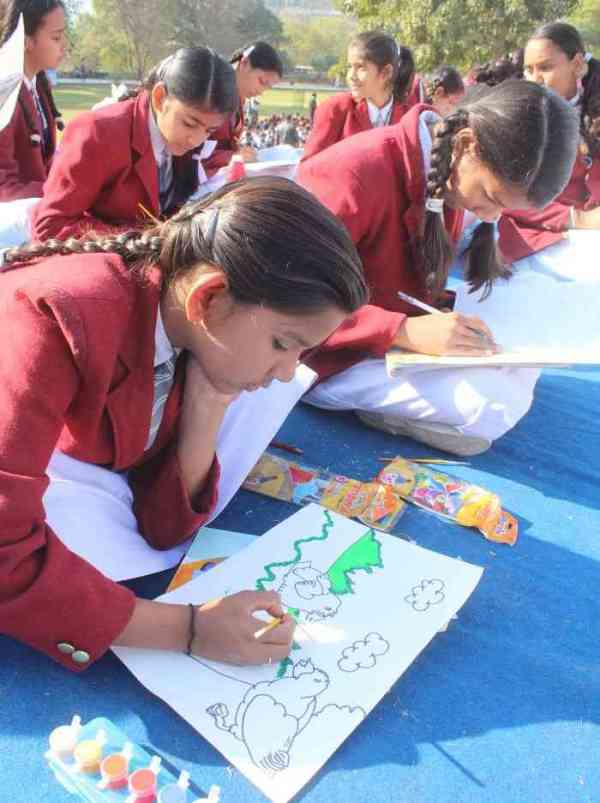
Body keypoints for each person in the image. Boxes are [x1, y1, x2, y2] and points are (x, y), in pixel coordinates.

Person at [0, 176, 368, 672]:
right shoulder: (51, 316)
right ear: (208, 298)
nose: (285, 371)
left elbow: (163, 528)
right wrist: (186, 628)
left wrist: (208, 403)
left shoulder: (189, 332)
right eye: (284, 344)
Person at [298, 80, 579, 455]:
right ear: (465, 145)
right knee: (490, 404)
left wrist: (430, 319)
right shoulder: (353, 173)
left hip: (393, 336)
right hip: (325, 357)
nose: (490, 215)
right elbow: (287, 299)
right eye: (490, 197)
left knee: (521, 366)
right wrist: (400, 331)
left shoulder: (445, 169)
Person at [31, 47, 237, 242]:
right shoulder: (98, 132)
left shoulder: (186, 132)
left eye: (209, 131)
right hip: (98, 262)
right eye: (189, 123)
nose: (196, 140)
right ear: (159, 98)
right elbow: (50, 225)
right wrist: (142, 238)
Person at [499, 22, 600, 261]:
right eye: (528, 70)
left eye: (545, 67)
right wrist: (577, 219)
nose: (535, 79)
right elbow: (500, 194)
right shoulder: (516, 118)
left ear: (576, 64)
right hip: (542, 236)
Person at [302, 32, 419, 162]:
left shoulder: (410, 117)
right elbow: (309, 168)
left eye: (360, 67)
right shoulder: (335, 110)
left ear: (386, 72)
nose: (351, 76)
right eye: (349, 67)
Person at [0, 0, 66, 201]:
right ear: (26, 40)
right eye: (56, 37)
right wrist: (64, 192)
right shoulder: (5, 94)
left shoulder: (38, 86)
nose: (64, 45)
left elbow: (44, 165)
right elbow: (3, 187)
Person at [202, 42, 283, 175]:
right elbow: (194, 148)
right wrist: (233, 157)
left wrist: (238, 151)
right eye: (262, 82)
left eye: (268, 87)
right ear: (244, 63)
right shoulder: (211, 91)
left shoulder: (239, 96)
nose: (261, 91)